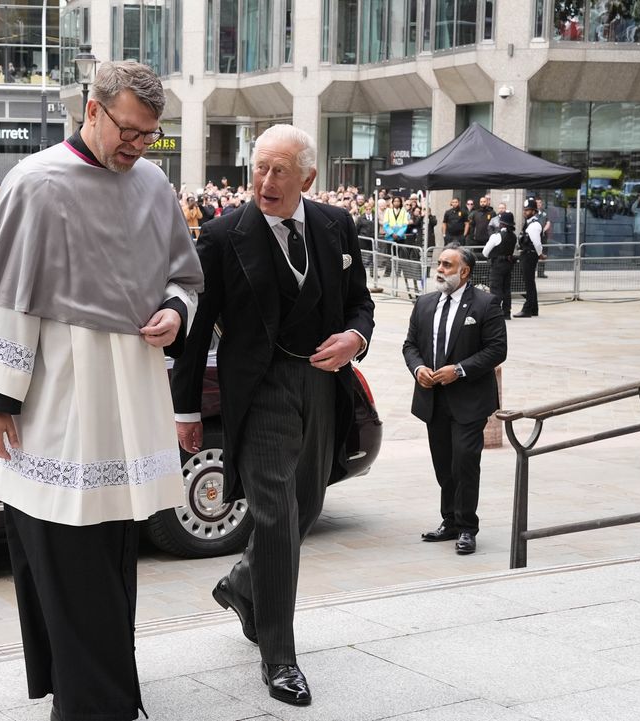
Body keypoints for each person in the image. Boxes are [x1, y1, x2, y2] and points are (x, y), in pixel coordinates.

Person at [0, 60, 202, 721]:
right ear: (91, 110)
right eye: (129, 130)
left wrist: (176, 312)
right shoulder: (36, 183)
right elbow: (4, 299)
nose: (139, 146)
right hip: (61, 395)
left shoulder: (152, 183)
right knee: (64, 550)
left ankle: (103, 694)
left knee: (116, 548)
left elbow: (186, 276)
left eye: (151, 135)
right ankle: (93, 702)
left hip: (131, 394)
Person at [171, 124, 374, 707]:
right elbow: (197, 328)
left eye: (279, 170)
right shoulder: (222, 235)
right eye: (258, 167)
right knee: (277, 519)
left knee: (306, 507)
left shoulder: (336, 226)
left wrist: (356, 337)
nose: (264, 181)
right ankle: (279, 658)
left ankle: (240, 584)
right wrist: (185, 408)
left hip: (322, 384)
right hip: (259, 393)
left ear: (307, 177)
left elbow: (361, 300)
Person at [404, 245, 506, 555]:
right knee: (444, 465)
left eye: (447, 265)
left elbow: (496, 350)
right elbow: (410, 345)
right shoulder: (424, 304)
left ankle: (466, 527)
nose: (440, 269)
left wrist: (459, 370)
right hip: (433, 400)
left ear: (464, 272)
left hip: (469, 401)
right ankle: (448, 521)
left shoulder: (486, 304)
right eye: (439, 263)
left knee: (465, 462)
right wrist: (419, 367)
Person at [482, 210, 516, 319]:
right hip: (508, 265)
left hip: (497, 265)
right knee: (506, 289)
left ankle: (495, 312)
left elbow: (485, 252)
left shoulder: (497, 236)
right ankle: (506, 312)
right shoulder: (514, 236)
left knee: (496, 289)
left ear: (501, 223)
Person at [514, 198, 545, 318]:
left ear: (534, 211)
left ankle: (527, 309)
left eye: (528, 210)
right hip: (527, 254)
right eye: (525, 210)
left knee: (528, 284)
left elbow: (537, 243)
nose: (525, 212)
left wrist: (540, 254)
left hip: (529, 255)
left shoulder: (534, 225)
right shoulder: (529, 223)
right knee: (530, 282)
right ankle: (534, 308)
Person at [535, 197, 551, 278]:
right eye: (537, 202)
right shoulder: (532, 212)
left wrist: (544, 229)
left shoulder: (544, 212)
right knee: (534, 254)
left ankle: (541, 273)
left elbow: (548, 222)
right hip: (535, 236)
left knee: (543, 254)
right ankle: (531, 273)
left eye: (540, 202)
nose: (538, 204)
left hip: (543, 237)